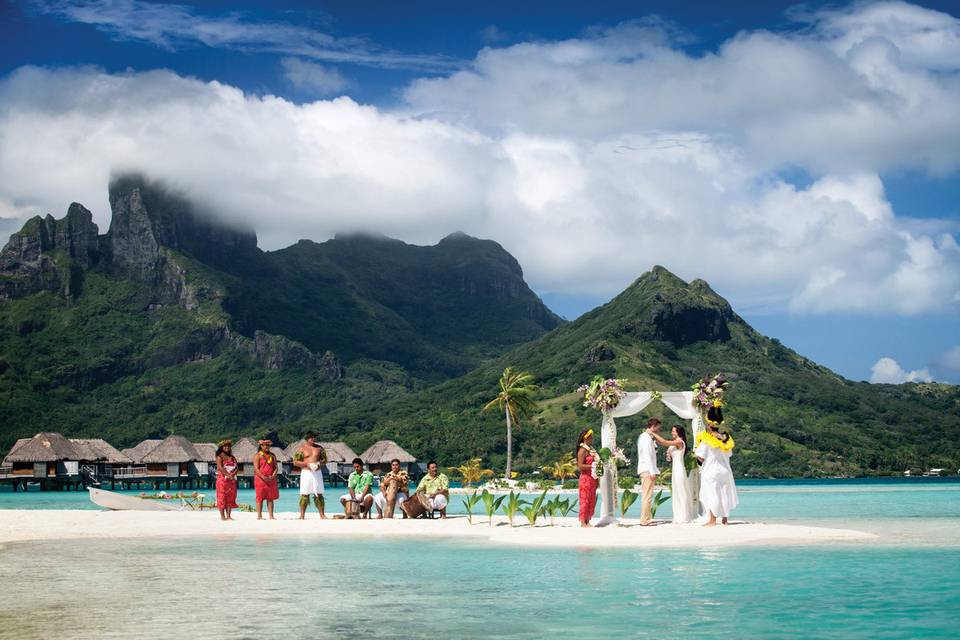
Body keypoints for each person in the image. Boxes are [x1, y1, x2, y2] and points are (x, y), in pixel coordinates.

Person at [694, 406, 739, 526]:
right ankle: (725, 520)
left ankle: (712, 520)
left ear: (709, 425)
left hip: (712, 470)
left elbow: (701, 457)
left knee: (711, 493)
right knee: (724, 493)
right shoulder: (726, 439)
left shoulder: (706, 439)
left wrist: (695, 454)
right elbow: (729, 454)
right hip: (725, 470)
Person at [293, 431, 327, 519]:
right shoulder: (302, 449)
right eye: (311, 437)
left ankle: (322, 515)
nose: (313, 439)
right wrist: (307, 464)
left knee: (319, 494)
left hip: (317, 472)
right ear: (307, 439)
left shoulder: (319, 448)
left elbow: (325, 460)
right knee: (304, 494)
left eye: (314, 437)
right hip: (306, 472)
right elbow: (295, 462)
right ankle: (302, 515)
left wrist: (319, 463)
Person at [636, 418, 662, 525]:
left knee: (648, 495)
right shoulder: (645, 438)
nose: (659, 430)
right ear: (653, 426)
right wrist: (652, 471)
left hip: (646, 469)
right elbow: (647, 456)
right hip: (647, 469)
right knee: (647, 496)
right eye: (658, 428)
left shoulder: (646, 437)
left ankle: (647, 517)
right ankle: (644, 519)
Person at [665, 425, 693, 524]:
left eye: (673, 431)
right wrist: (668, 454)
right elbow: (670, 459)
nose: (672, 433)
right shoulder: (674, 443)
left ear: (678, 432)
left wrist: (654, 434)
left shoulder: (679, 441)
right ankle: (678, 515)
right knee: (676, 492)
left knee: (681, 491)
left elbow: (664, 442)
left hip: (680, 469)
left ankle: (684, 516)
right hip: (675, 469)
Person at [575, 428, 598, 527]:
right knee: (585, 499)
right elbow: (580, 466)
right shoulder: (582, 450)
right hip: (585, 478)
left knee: (592, 499)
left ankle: (588, 520)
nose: (592, 439)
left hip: (593, 477)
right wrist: (592, 466)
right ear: (585, 439)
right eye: (590, 438)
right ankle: (582, 522)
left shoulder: (591, 449)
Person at [253, 439, 279, 520]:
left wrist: (273, 475)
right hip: (260, 479)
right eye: (265, 445)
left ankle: (271, 516)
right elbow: (256, 469)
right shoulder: (257, 456)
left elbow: (276, 467)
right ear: (261, 446)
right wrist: (263, 477)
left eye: (268, 445)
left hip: (271, 479)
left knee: (270, 498)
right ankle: (259, 516)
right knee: (260, 497)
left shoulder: (272, 456)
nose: (267, 447)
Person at [215, 440, 239, 521]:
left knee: (230, 497)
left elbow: (236, 467)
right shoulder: (219, 457)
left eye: (228, 446)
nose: (227, 447)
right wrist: (228, 475)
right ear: (221, 447)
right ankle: (222, 516)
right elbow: (220, 468)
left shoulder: (232, 457)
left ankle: (228, 516)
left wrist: (233, 475)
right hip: (222, 480)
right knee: (222, 497)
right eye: (225, 446)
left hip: (231, 480)